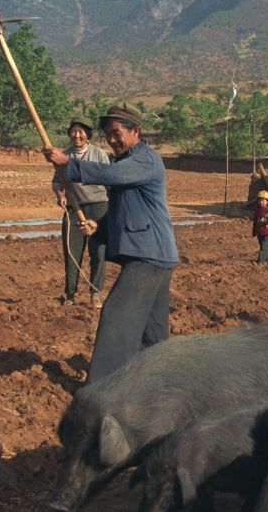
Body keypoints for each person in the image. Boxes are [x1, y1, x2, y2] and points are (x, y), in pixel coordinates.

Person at [43, 103, 178, 383]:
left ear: (135, 131)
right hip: (157, 254)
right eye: (108, 135)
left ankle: (104, 387)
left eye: (117, 133)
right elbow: (124, 211)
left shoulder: (145, 159)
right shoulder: (126, 162)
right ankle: (154, 381)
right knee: (152, 330)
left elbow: (110, 175)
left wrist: (68, 164)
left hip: (149, 255)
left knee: (117, 314)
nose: (112, 140)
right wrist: (99, 226)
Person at [51, 117, 110, 307]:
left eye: (81, 131)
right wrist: (60, 195)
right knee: (72, 253)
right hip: (73, 209)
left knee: (98, 252)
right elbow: (57, 182)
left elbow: (109, 180)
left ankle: (95, 293)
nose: (77, 135)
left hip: (98, 206)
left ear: (88, 135)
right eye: (73, 131)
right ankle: (70, 294)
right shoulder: (63, 155)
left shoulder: (99, 154)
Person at [251, 190, 268, 264]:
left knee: (264, 247)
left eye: (263, 200)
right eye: (259, 200)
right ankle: (266, 259)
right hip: (260, 233)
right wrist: (254, 232)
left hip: (267, 232)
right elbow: (255, 222)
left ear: (267, 201)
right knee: (263, 247)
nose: (261, 202)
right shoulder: (257, 211)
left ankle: (260, 262)